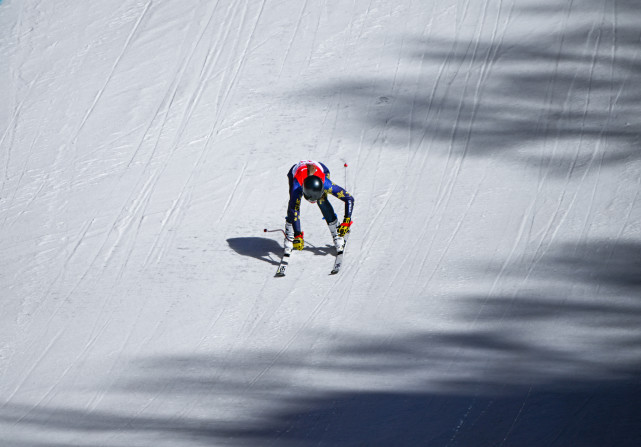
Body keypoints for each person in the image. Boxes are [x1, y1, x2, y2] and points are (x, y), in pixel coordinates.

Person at [285, 160, 354, 251]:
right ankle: (290, 234)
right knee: (293, 204)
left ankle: (336, 233)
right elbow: (294, 209)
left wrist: (346, 221)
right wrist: (298, 234)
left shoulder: (326, 183)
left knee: (322, 201)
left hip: (322, 170)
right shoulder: (297, 186)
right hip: (297, 174)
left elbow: (349, 199)